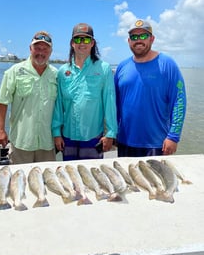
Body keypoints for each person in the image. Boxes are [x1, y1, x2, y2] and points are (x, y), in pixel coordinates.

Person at [114, 19, 186, 157]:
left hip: (156, 143)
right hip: (125, 141)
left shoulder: (167, 64)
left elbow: (179, 101)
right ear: (129, 41)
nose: (138, 40)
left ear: (152, 39)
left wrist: (173, 136)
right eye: (134, 37)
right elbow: (115, 104)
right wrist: (113, 131)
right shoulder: (122, 67)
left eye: (143, 36)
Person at [52, 23, 117, 161]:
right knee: (69, 178)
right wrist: (56, 132)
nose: (82, 43)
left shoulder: (104, 69)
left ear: (92, 43)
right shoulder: (63, 71)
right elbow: (58, 106)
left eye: (86, 39)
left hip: (93, 137)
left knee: (92, 178)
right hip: (67, 137)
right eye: (78, 39)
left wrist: (111, 133)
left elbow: (109, 103)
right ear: (72, 43)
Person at [0, 31, 58, 164]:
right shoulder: (14, 71)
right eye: (37, 48)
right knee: (19, 182)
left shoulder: (56, 75)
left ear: (51, 52)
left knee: (47, 182)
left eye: (45, 49)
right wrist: (0, 130)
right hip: (21, 141)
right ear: (30, 49)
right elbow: (2, 102)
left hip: (48, 142)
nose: (40, 52)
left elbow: (61, 107)